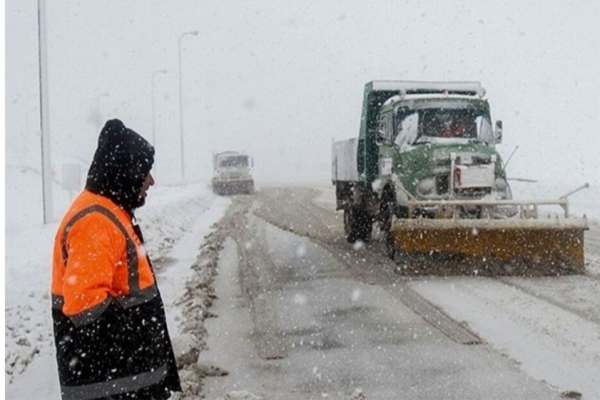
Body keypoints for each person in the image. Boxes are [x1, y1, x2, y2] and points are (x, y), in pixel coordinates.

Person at [51, 119, 181, 400]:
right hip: (114, 388)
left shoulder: (110, 211)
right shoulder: (96, 220)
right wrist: (140, 338)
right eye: (146, 171)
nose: (151, 181)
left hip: (124, 383)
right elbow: (85, 307)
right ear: (127, 171)